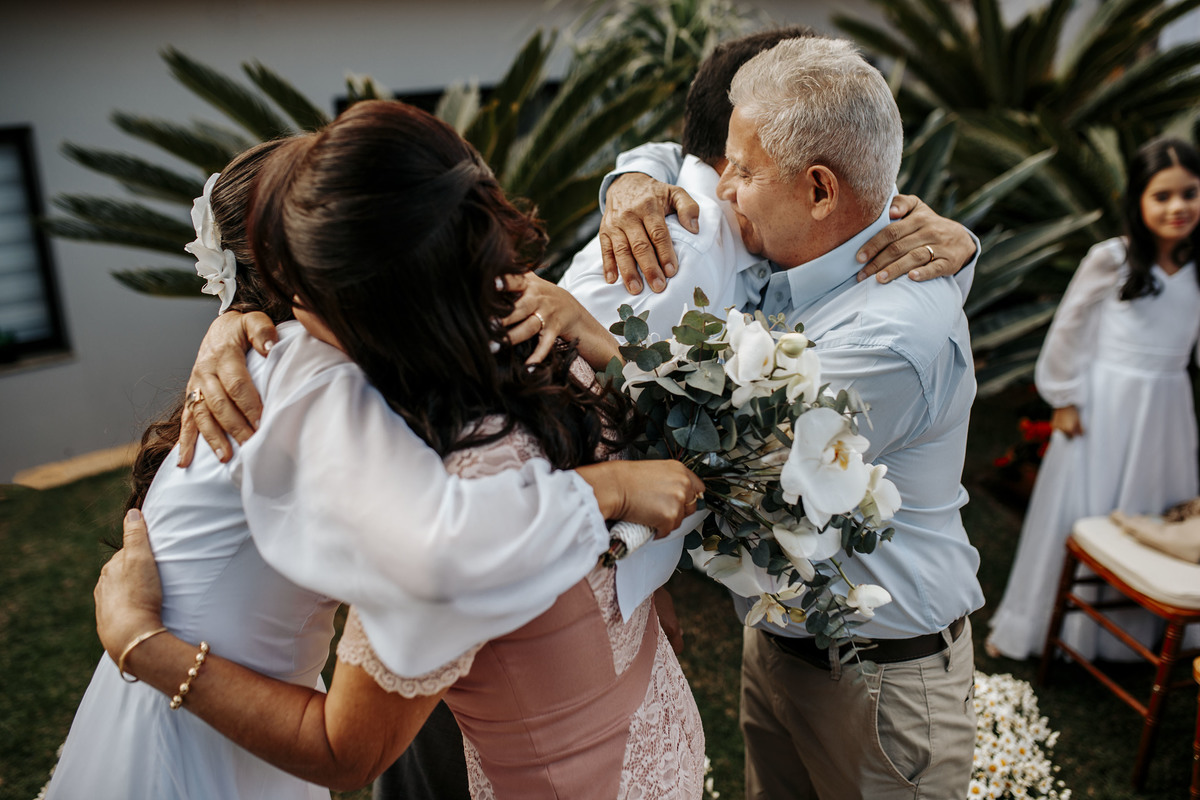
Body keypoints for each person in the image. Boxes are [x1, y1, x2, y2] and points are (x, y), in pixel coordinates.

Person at [86, 99, 708, 799]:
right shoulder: (542, 340)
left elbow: (340, 751)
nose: (290, 321)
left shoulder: (447, 467)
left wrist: (142, 643)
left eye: (298, 293)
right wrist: (239, 318)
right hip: (625, 754)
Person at [689, 37, 981, 799]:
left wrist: (596, 346)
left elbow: (727, 461)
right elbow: (672, 160)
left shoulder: (891, 336)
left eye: (744, 171)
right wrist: (629, 183)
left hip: (879, 687)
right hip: (784, 640)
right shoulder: (817, 251)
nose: (723, 189)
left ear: (820, 190)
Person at [986, 137, 1200, 662]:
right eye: (1163, 196)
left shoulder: (1197, 269)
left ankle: (1128, 635)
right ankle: (1044, 628)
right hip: (1106, 407)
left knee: (1150, 512)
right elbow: (1069, 327)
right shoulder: (1112, 259)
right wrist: (1063, 396)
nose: (1177, 208)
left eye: (1190, 194)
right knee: (1083, 509)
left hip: (1168, 411)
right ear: (1139, 200)